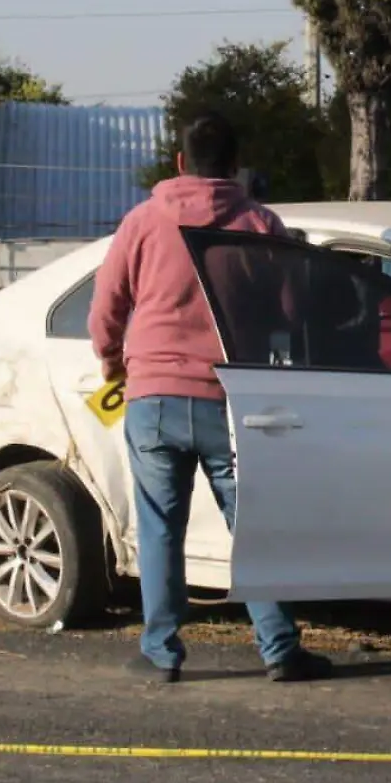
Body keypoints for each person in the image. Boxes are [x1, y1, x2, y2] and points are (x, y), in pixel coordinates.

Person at [89, 111, 333, 685]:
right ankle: (278, 649)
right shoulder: (259, 223)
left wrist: (113, 363)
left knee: (159, 529)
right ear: (233, 166)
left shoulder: (142, 223)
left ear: (179, 163)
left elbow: (106, 310)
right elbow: (295, 310)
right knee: (251, 527)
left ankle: (161, 651)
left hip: (152, 399)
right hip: (233, 400)